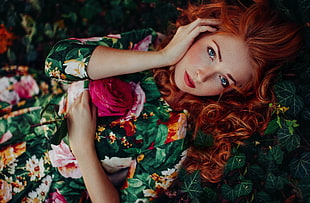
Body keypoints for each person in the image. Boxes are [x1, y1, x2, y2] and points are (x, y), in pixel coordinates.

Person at [0, 0, 303, 202]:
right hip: (20, 125)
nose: (201, 75)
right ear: (199, 31)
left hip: (40, 188)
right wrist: (162, 56)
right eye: (211, 52)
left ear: (233, 94)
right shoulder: (148, 44)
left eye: (224, 80)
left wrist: (83, 148)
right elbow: (58, 62)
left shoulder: (175, 136)